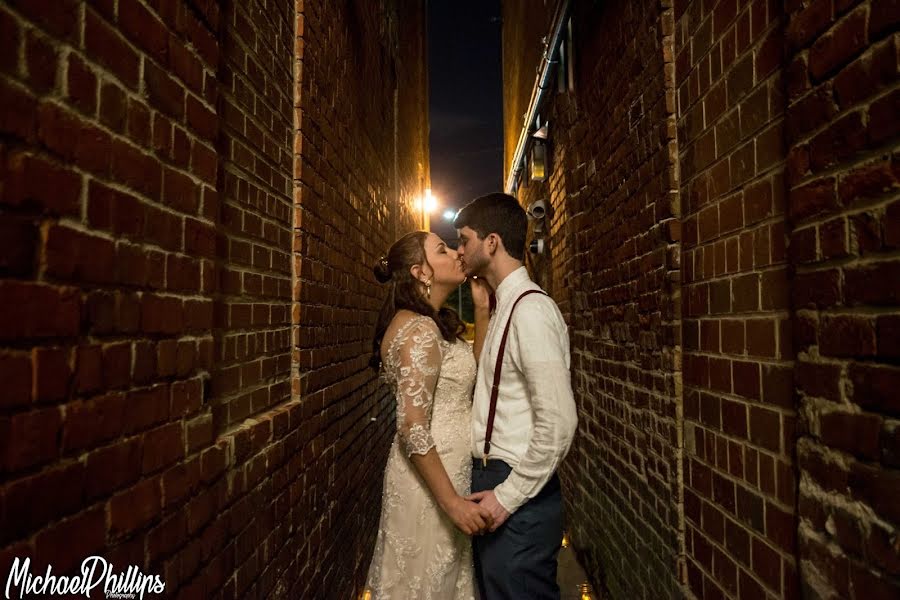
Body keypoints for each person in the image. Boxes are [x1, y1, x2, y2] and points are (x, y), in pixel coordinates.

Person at [454, 193, 578, 599]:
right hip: (495, 480)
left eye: (464, 239)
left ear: (491, 243)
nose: (459, 249)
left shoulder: (531, 311)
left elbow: (559, 423)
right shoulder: (504, 306)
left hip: (517, 491)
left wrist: (506, 497)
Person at [365, 230, 492, 599]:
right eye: (443, 249)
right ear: (421, 272)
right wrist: (452, 503)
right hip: (432, 489)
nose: (456, 253)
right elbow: (411, 426)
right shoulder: (420, 331)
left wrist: (481, 310)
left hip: (444, 476)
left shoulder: (428, 323)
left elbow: (471, 373)